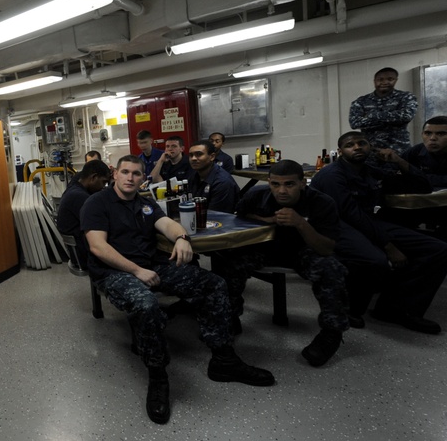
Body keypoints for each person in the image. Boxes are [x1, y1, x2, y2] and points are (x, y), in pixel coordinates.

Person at [81, 155, 274, 425]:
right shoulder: (97, 204)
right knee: (146, 305)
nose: (130, 178)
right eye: (125, 172)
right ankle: (158, 375)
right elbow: (98, 247)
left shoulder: (145, 204)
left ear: (142, 178)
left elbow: (167, 224)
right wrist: (136, 271)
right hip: (115, 272)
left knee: (213, 284)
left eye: (136, 174)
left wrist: (182, 238)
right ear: (114, 174)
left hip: (153, 266)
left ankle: (223, 359)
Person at [309, 131, 447, 334]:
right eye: (350, 145)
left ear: (371, 148)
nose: (357, 147)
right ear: (340, 151)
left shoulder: (369, 170)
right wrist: (388, 246)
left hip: (368, 222)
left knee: (440, 250)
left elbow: (423, 186)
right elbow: (351, 215)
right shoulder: (332, 175)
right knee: (375, 259)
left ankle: (396, 309)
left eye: (362, 143)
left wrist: (398, 160)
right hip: (334, 225)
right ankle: (348, 307)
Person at [212, 160, 350, 365]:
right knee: (228, 262)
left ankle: (332, 333)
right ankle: (230, 316)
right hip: (265, 248)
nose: (282, 190)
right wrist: (266, 220)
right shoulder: (256, 195)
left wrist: (300, 223)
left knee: (332, 270)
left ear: (303, 183)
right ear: (269, 182)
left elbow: (326, 248)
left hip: (303, 251)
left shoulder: (322, 202)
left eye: (289, 184)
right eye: (275, 184)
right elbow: (240, 216)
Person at [397, 116, 447, 268]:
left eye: (441, 134)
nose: (433, 138)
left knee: (446, 238)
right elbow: (395, 174)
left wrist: (415, 175)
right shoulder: (417, 151)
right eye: (427, 133)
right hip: (423, 206)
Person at [348, 67, 417, 155]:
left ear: (396, 80)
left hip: (399, 150)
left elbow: (406, 116)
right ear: (374, 81)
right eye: (380, 79)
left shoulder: (406, 97)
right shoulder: (361, 101)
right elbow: (355, 123)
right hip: (371, 152)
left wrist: (372, 115)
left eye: (390, 79)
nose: (385, 82)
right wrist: (392, 118)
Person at [56, 159, 111, 269]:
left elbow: (81, 174)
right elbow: (106, 221)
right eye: (103, 182)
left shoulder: (75, 185)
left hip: (78, 250)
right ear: (93, 177)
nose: (103, 187)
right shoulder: (80, 197)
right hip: (83, 256)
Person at [187, 139, 239, 213]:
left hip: (220, 222)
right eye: (191, 155)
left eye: (199, 154)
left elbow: (216, 216)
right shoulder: (194, 176)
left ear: (212, 157)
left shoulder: (222, 182)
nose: (193, 158)